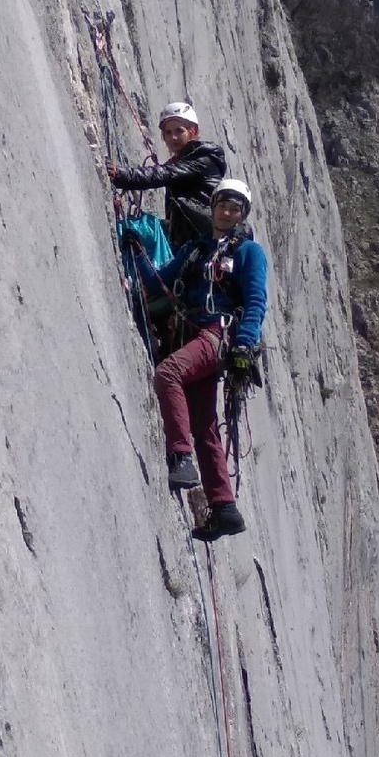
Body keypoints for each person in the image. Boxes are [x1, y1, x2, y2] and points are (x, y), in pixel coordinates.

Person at [146, 178, 267, 542]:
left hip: (219, 333)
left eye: (236, 209)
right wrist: (135, 251)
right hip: (192, 329)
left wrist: (244, 345)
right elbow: (159, 279)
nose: (228, 213)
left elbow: (256, 300)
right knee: (204, 424)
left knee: (168, 373)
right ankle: (224, 508)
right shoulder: (197, 249)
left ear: (242, 215)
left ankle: (180, 457)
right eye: (223, 206)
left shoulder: (248, 253)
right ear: (212, 206)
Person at [107, 102, 227, 250]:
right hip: (190, 236)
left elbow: (161, 174)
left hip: (197, 240)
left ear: (193, 131)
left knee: (140, 230)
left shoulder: (201, 159)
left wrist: (120, 175)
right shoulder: (188, 159)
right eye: (168, 133)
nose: (173, 137)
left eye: (179, 131)